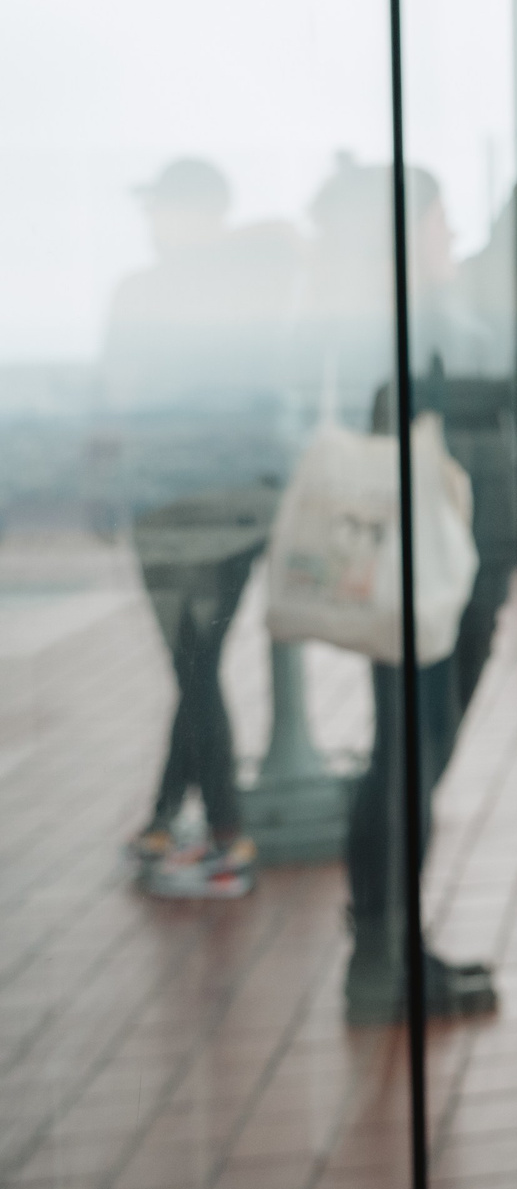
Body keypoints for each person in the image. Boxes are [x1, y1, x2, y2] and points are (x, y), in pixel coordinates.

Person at [302, 158, 510, 1023]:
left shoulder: (392, 316)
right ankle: (386, 955)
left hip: (441, 569)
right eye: (438, 219)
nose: (451, 235)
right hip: (432, 577)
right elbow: (455, 398)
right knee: (408, 758)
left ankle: (388, 944)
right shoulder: (406, 321)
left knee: (407, 756)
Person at [103, 158, 298, 898]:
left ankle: (226, 832)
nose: (151, 221)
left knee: (193, 665)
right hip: (242, 504)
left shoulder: (143, 293)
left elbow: (114, 399)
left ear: (198, 214)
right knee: (198, 662)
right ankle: (165, 816)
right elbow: (286, 242)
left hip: (172, 509)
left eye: (161, 207)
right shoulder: (253, 279)